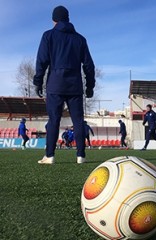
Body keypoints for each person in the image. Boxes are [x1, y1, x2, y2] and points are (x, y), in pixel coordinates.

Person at [34, 6, 95, 164]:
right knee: (78, 120)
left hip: (55, 84)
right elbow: (88, 65)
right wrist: (90, 85)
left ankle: (50, 155)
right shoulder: (80, 39)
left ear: (54, 19)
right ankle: (81, 156)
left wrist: (38, 81)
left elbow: (42, 61)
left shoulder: (48, 36)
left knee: (54, 120)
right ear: (68, 18)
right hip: (75, 85)